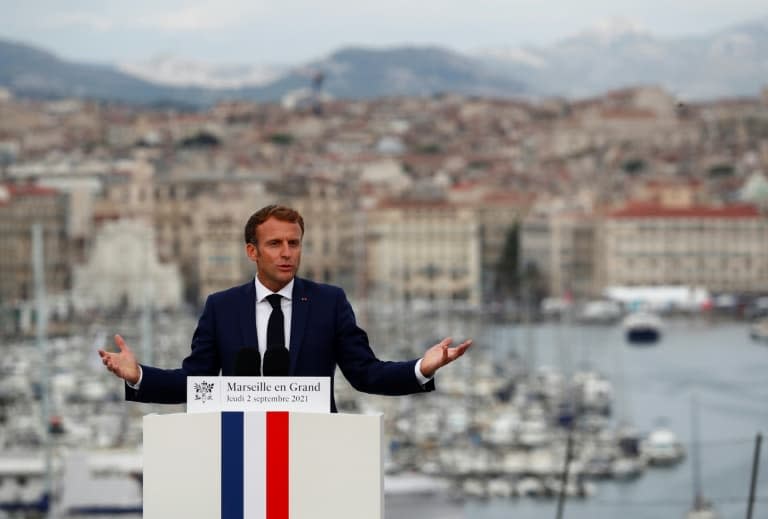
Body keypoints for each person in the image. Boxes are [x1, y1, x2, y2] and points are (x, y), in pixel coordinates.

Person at [98, 204, 472, 411]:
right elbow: (197, 382)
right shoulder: (221, 307)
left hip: (314, 449)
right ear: (252, 251)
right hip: (240, 448)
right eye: (275, 243)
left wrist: (422, 368)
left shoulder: (330, 302)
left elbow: (365, 374)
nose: (287, 252)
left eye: (294, 243)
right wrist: (138, 376)